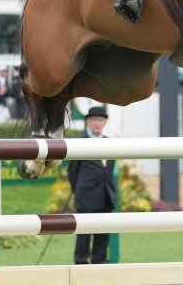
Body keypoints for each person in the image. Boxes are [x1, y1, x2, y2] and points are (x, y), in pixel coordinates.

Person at [68, 106, 117, 265]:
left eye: (100, 120)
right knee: (84, 233)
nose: (97, 123)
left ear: (105, 122)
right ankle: (81, 261)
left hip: (106, 194)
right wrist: (78, 191)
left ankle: (100, 261)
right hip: (86, 195)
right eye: (94, 120)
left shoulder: (110, 143)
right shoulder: (80, 143)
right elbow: (72, 171)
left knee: (103, 233)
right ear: (88, 122)